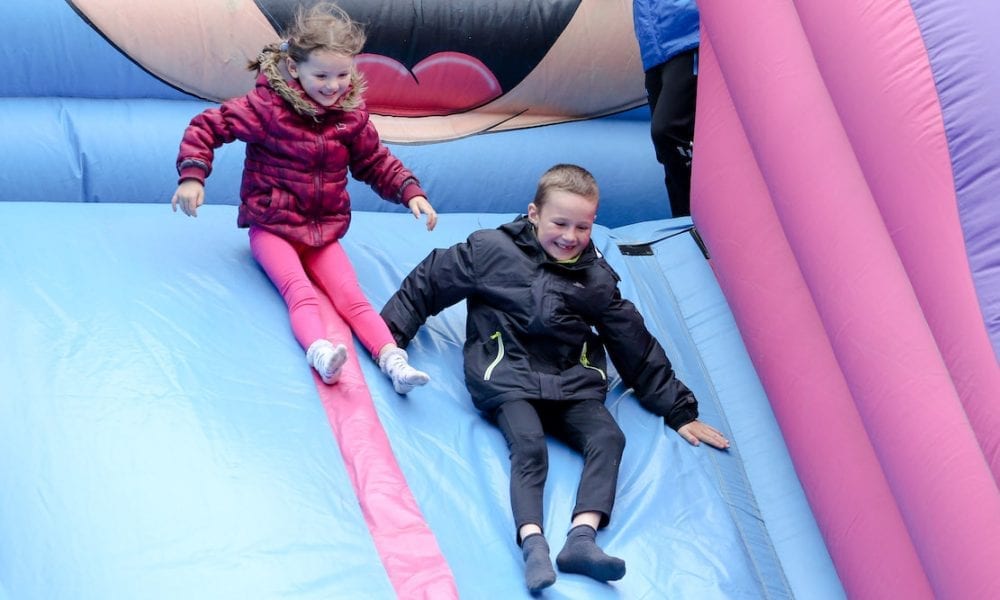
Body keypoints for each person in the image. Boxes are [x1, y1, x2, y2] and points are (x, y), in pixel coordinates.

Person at [380, 164, 730, 592]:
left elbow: (631, 341)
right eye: (560, 223)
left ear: (594, 224)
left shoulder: (595, 278)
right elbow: (429, 283)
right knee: (529, 448)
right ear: (534, 214)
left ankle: (581, 539)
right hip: (506, 374)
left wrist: (677, 409)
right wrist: (388, 338)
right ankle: (534, 544)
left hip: (570, 380)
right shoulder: (490, 251)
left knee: (608, 439)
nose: (569, 236)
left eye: (582, 227)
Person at [171, 2, 434, 394]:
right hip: (272, 226)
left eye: (343, 74)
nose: (333, 85)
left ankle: (393, 361)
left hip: (322, 230)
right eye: (322, 75)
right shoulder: (267, 109)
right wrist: (193, 175)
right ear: (294, 69)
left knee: (352, 297)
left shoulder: (350, 116)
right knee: (301, 292)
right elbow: (210, 126)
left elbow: (374, 161)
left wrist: (409, 190)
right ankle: (321, 353)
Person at [633, 0, 700, 217]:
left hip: (691, 37)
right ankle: (684, 223)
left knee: (669, 130)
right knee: (667, 151)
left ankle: (701, 219)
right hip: (655, 49)